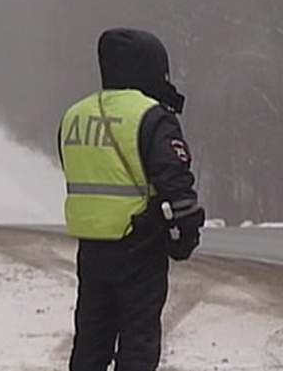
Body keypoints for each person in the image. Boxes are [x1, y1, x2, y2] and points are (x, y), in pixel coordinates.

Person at [57, 28, 205, 371]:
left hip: (92, 249)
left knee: (91, 343)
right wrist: (185, 236)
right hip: (140, 248)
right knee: (138, 343)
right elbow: (176, 185)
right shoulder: (152, 117)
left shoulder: (74, 116)